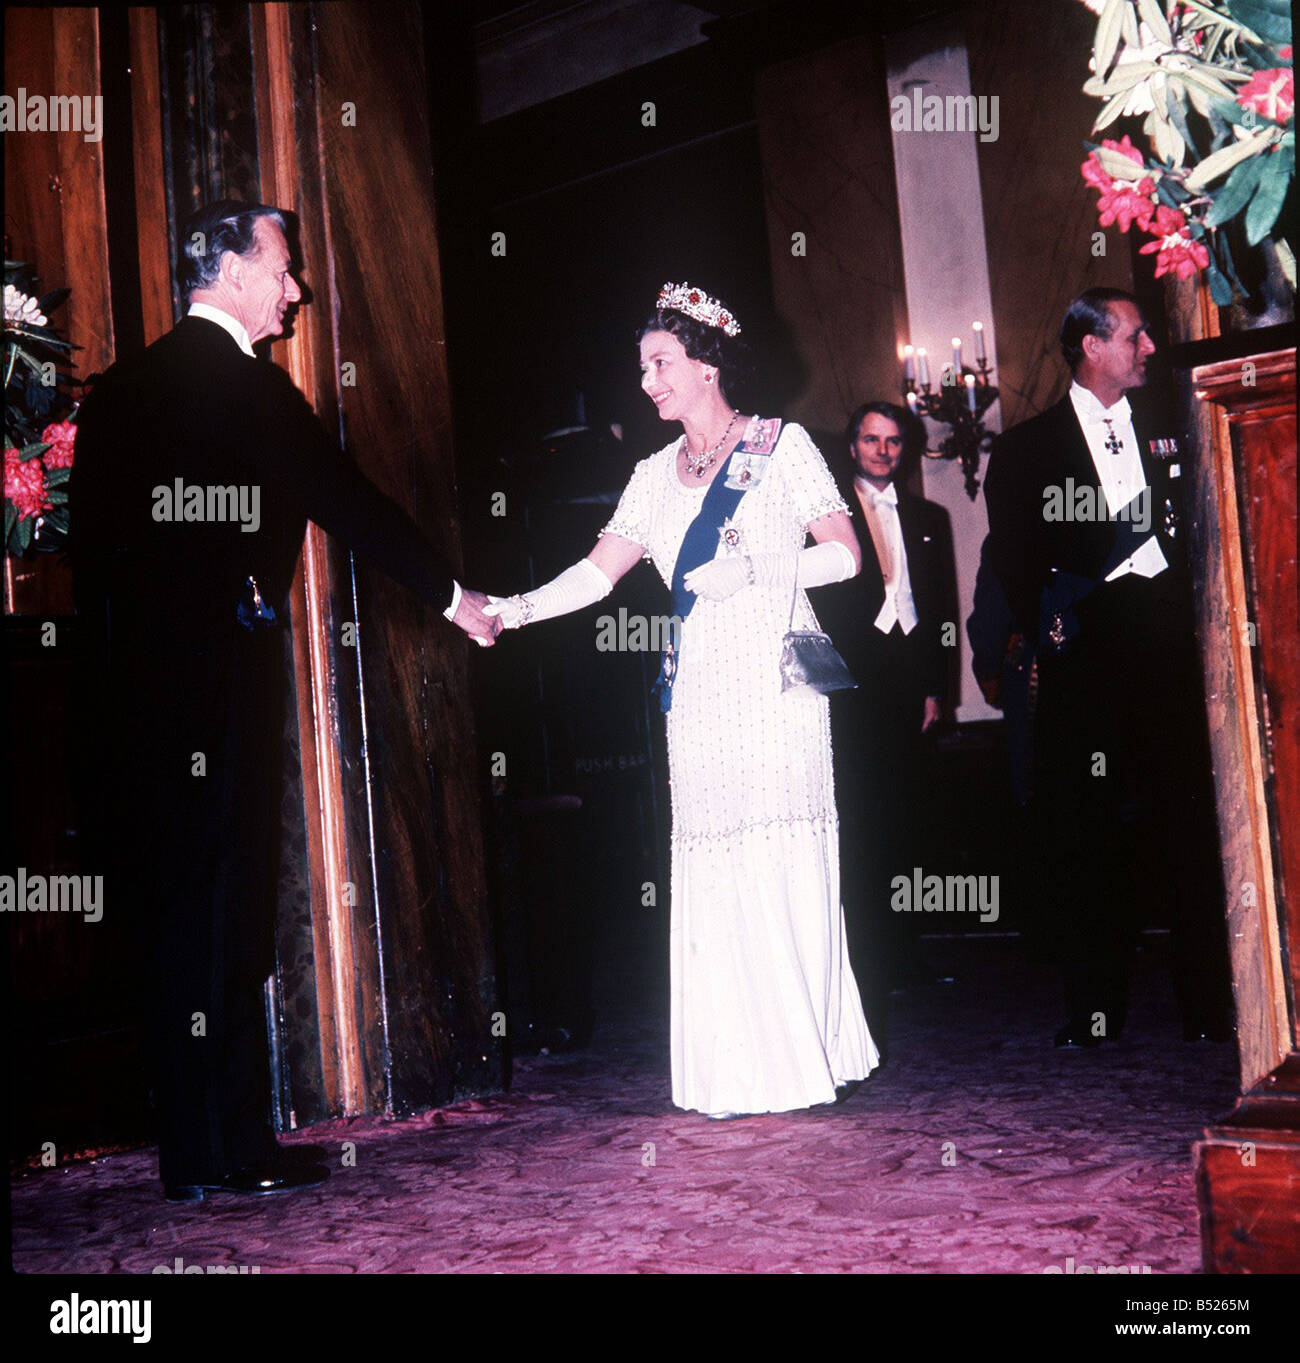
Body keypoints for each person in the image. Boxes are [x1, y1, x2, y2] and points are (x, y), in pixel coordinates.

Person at [69, 199, 499, 1201]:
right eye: (282, 268)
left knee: (175, 910)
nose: (296, 288)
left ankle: (192, 1150)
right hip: (218, 687)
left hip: (130, 698)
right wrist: (454, 598)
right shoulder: (247, 390)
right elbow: (351, 503)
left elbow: (95, 565)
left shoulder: (117, 392)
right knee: (223, 910)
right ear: (226, 269)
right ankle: (231, 1148)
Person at [484, 282, 879, 1116]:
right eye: (642, 367)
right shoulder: (651, 475)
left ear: (707, 365)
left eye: (660, 363)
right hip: (699, 689)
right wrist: (510, 611)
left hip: (776, 682)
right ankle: (739, 1063)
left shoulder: (783, 446)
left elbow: (846, 558)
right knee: (716, 854)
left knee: (776, 849)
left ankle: (803, 1051)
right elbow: (595, 576)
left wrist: (758, 570)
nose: (647, 382)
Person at [983, 286, 1233, 1048]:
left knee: (1189, 827)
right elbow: (1017, 561)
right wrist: (1056, 624)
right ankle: (1095, 1011)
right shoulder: (1028, 448)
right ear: (1092, 347)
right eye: (1134, 336)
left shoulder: (1176, 424)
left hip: (1166, 648)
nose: (1148, 348)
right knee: (1085, 837)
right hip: (1086, 652)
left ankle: (1210, 1006)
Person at [816, 401, 954, 1014]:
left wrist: (934, 688)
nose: (882, 451)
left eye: (894, 442)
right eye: (871, 440)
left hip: (906, 685)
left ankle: (904, 952)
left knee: (904, 823)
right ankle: (863, 957)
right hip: (850, 686)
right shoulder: (825, 519)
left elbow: (942, 611)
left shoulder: (930, 516)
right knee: (859, 823)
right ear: (852, 447)